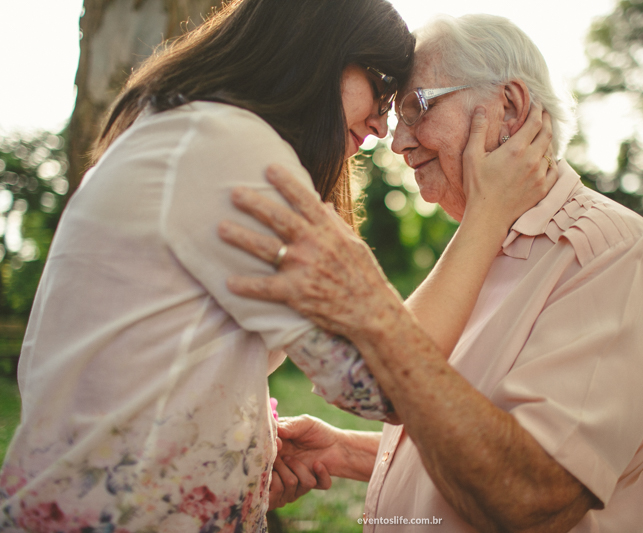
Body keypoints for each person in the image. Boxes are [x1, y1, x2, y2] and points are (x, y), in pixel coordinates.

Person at [0, 2, 560, 531]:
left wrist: (245, 446)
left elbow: (157, 351)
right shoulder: (230, 150)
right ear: (317, 48)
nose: (383, 128)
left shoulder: (190, 133)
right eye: (383, 89)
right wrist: (488, 214)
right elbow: (384, 382)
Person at [221, 13, 643, 533]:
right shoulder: (485, 243)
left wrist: (373, 309)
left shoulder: (606, 250)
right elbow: (476, 429)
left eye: (417, 107)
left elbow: (534, 495)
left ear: (510, 107)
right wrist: (348, 451)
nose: (396, 142)